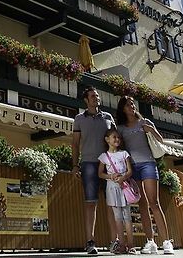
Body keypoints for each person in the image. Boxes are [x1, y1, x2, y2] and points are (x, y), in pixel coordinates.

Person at [116, 95, 174, 255]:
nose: (132, 107)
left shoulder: (145, 122)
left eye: (133, 104)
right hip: (132, 167)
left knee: (154, 203)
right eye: (128, 105)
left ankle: (166, 242)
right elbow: (118, 146)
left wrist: (152, 130)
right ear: (123, 108)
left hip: (148, 164)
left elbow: (161, 141)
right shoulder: (120, 128)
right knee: (142, 205)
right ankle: (150, 242)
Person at [72, 86, 118, 255]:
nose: (96, 98)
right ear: (86, 99)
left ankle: (115, 241)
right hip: (88, 163)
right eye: (92, 96)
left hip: (108, 164)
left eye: (97, 96)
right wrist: (75, 165)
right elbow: (75, 144)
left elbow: (115, 141)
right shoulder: (79, 119)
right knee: (91, 203)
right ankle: (90, 242)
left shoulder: (108, 117)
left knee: (112, 203)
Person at [98, 129, 137, 255]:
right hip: (111, 188)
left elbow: (129, 171)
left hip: (123, 187)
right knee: (117, 217)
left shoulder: (124, 153)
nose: (117, 139)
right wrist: (111, 176)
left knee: (127, 216)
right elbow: (100, 173)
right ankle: (121, 245)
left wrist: (123, 177)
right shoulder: (104, 156)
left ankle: (131, 245)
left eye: (118, 137)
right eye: (114, 137)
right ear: (107, 139)